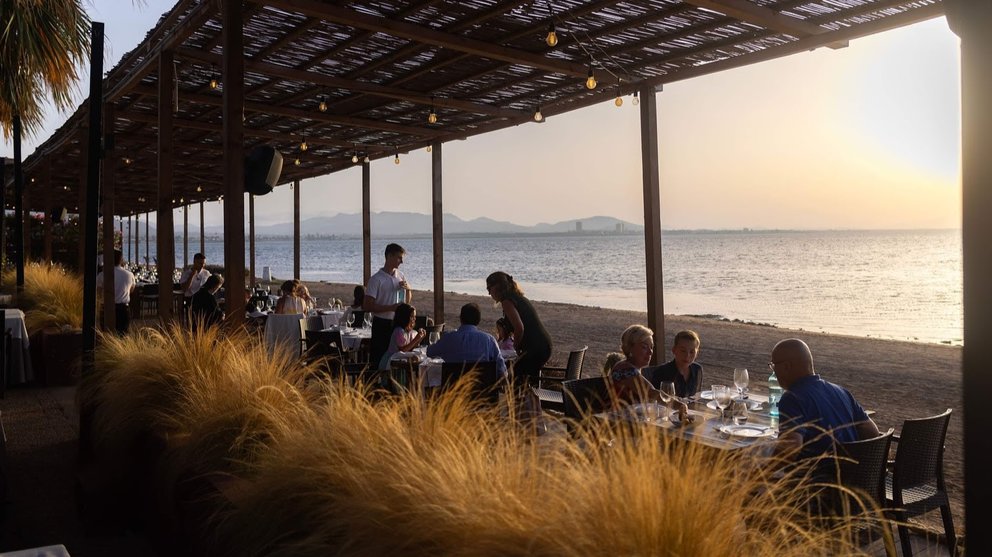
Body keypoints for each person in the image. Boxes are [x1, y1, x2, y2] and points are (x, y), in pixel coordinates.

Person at [771, 338, 879, 463]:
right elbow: (872, 432)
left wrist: (758, 474)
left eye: (773, 366)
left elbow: (789, 451)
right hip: (853, 477)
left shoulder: (792, 398)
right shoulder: (841, 391)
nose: (774, 372)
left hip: (815, 479)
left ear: (786, 367)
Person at [485, 272, 551, 389]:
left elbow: (519, 327)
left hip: (536, 349)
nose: (489, 292)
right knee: (518, 380)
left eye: (489, 288)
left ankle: (519, 405)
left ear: (497, 287)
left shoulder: (507, 302)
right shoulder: (517, 298)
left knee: (508, 378)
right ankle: (527, 402)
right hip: (543, 346)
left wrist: (516, 347)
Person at [609, 325, 688, 420]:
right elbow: (651, 393)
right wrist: (679, 405)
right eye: (644, 347)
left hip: (633, 420)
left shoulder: (633, 368)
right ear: (630, 347)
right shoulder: (624, 370)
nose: (650, 352)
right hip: (619, 424)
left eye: (651, 347)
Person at [365, 244, 412, 367]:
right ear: (389, 256)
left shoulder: (400, 276)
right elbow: (367, 306)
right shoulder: (376, 279)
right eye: (399, 258)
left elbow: (407, 301)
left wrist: (409, 290)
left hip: (398, 324)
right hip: (381, 324)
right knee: (379, 359)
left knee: (397, 360)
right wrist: (390, 308)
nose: (401, 261)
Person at [428, 303, 506, 376]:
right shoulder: (489, 340)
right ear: (478, 320)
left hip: (454, 388)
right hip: (483, 389)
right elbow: (502, 371)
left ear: (461, 318)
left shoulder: (448, 338)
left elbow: (429, 352)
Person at [644, 330, 703, 398]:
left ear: (697, 353)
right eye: (683, 351)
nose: (687, 355)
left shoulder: (697, 369)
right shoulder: (662, 372)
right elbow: (657, 400)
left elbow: (696, 397)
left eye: (692, 352)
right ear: (674, 350)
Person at [96, 249, 136, 335]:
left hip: (106, 308)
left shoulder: (102, 275)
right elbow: (132, 290)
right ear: (121, 260)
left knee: (107, 335)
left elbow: (98, 292)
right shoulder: (129, 275)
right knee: (122, 335)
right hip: (123, 309)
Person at [378, 303, 426, 370]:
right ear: (405, 317)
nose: (414, 319)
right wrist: (416, 339)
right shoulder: (399, 331)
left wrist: (420, 338)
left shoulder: (410, 332)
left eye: (415, 316)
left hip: (401, 362)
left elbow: (411, 347)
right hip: (392, 361)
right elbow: (402, 350)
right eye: (412, 316)